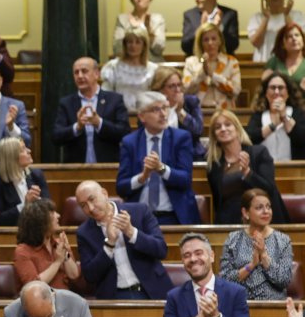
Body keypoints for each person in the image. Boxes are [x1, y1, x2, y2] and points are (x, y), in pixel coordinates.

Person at [74, 180, 173, 300]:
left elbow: (161, 250)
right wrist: (109, 244)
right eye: (83, 205)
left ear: (104, 194)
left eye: (92, 199)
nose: (90, 208)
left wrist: (131, 232)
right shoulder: (84, 233)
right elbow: (90, 276)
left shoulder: (139, 211)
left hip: (151, 289)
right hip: (115, 297)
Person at [116, 91, 199, 226]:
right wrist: (142, 177)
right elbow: (121, 187)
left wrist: (161, 168)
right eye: (156, 109)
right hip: (140, 218)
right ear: (142, 116)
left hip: (174, 216)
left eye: (165, 108)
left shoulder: (181, 138)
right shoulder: (129, 142)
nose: (163, 114)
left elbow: (185, 180)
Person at [206, 109, 288, 224]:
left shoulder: (258, 153)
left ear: (237, 128)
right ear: (214, 135)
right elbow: (218, 203)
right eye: (218, 127)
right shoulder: (214, 166)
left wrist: (248, 173)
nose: (223, 129)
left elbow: (269, 189)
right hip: (229, 223)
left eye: (228, 124)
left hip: (262, 222)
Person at [218, 189, 295, 301]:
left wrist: (264, 256)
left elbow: (284, 280)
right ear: (246, 213)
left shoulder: (283, 240)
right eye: (259, 208)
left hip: (273, 306)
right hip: (240, 304)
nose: (266, 211)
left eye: (268, 207)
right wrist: (251, 265)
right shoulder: (233, 239)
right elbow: (225, 280)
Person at [53, 56, 132, 165]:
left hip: (107, 167)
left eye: (84, 71)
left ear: (96, 74)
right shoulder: (66, 103)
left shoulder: (114, 100)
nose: (80, 76)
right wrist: (77, 127)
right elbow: (56, 136)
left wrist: (99, 122)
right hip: (76, 169)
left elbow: (124, 132)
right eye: (76, 72)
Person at [14, 199, 80, 289]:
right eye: (53, 213)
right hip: (40, 301)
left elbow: (74, 275)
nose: (58, 215)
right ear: (40, 221)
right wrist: (57, 262)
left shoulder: (58, 243)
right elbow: (34, 286)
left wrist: (65, 255)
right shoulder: (22, 251)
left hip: (64, 298)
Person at [246, 72, 305, 162]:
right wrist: (273, 125)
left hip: (293, 169)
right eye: (273, 88)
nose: (276, 92)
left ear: (287, 93)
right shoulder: (258, 115)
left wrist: (284, 117)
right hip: (264, 170)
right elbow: (250, 138)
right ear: (266, 93)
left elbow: (303, 139)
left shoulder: (297, 113)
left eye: (280, 88)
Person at [0, 138, 47, 226]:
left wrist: (39, 202)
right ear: (11, 157)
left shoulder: (37, 175)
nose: (29, 151)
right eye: (23, 149)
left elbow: (49, 209)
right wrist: (24, 205)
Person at [182, 22, 242, 110]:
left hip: (224, 111)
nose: (210, 43)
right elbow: (186, 90)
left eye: (214, 39)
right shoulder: (191, 62)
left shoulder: (231, 62)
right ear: (200, 43)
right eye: (206, 40)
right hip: (198, 110)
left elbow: (235, 90)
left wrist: (212, 75)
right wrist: (202, 73)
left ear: (220, 41)